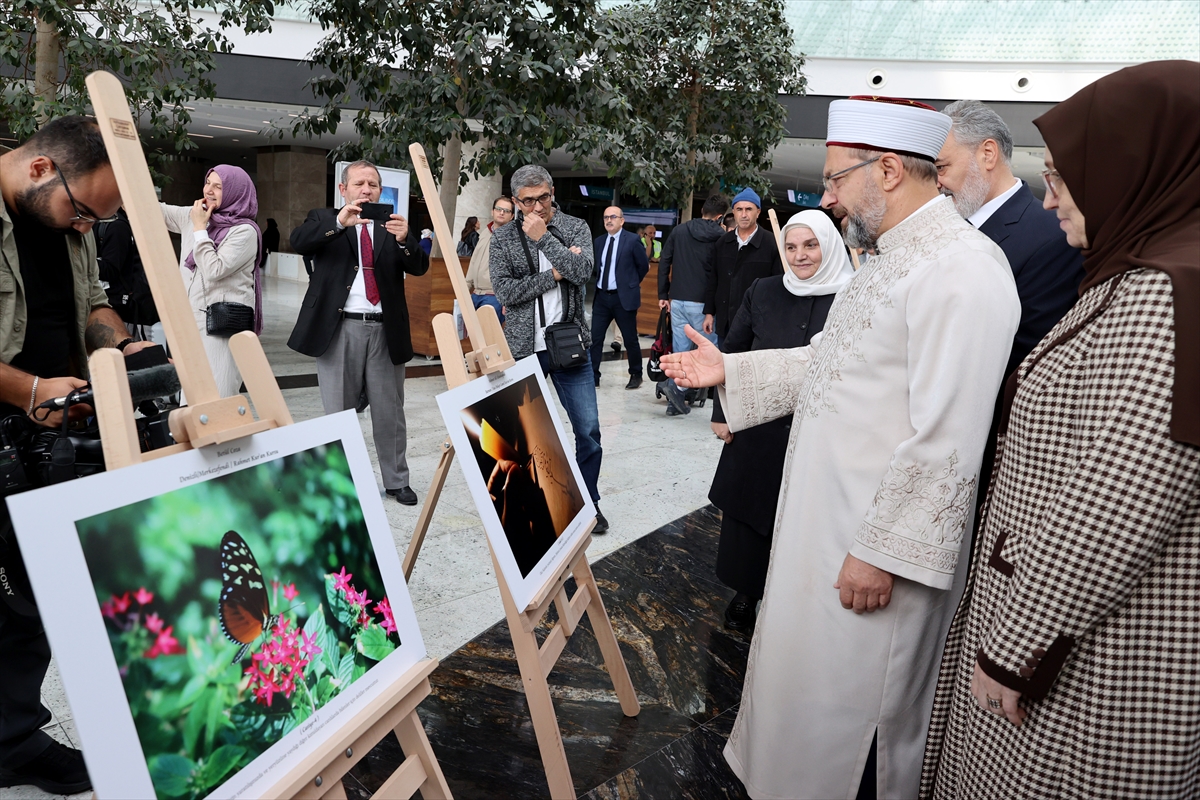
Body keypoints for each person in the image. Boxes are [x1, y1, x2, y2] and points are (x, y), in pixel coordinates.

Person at [662, 96, 1020, 799]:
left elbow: (948, 436)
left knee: (855, 730)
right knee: (805, 707)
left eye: (833, 179)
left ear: (886, 170)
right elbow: (831, 358)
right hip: (825, 536)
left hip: (869, 559)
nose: (824, 198)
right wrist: (730, 370)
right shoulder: (888, 260)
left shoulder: (965, 270)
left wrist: (881, 552)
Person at [921, 60, 1200, 800]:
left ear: (1133, 168)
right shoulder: (1141, 271)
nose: (1049, 204)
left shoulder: (1169, 294)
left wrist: (1015, 650)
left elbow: (1122, 497)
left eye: (1064, 181)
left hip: (1085, 672)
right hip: (1074, 643)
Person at [0, 115, 158, 796]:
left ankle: (11, 738)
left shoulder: (67, 218)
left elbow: (91, 301)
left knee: (34, 594)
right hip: (20, 411)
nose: (86, 227)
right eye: (83, 212)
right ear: (40, 169)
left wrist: (122, 348)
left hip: (44, 436)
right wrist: (30, 388)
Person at [710, 209, 853, 633]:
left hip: (821, 432)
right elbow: (732, 353)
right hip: (759, 428)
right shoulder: (764, 290)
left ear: (828, 246)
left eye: (810, 246)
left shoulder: (852, 295)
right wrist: (723, 413)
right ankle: (746, 594)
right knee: (752, 514)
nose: (800, 256)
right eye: (791, 246)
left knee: (805, 519)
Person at [287, 160, 428, 505]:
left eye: (373, 185)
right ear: (343, 189)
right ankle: (338, 481)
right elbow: (299, 242)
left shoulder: (392, 226)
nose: (366, 190)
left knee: (390, 411)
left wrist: (406, 240)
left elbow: (419, 266)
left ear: (381, 191)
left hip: (385, 330)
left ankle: (397, 480)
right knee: (338, 410)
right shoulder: (323, 219)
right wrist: (339, 223)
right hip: (339, 329)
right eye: (359, 184)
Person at [489, 165, 609, 533]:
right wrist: (553, 274)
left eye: (543, 197)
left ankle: (588, 502)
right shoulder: (503, 238)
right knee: (528, 437)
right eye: (528, 201)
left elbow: (583, 271)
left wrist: (545, 240)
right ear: (515, 201)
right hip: (525, 349)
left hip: (570, 345)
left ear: (552, 191)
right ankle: (537, 504)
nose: (537, 207)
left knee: (588, 430)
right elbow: (506, 292)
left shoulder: (575, 227)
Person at [936, 99, 1084, 377]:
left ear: (988, 154)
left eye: (941, 167)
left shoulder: (1052, 237)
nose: (936, 182)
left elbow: (1026, 358)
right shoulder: (941, 232)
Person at [160, 165, 262, 398]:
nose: (209, 190)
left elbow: (214, 269)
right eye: (208, 183)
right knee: (190, 398)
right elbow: (152, 210)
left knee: (217, 398)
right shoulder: (197, 215)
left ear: (237, 191)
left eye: (219, 186)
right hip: (189, 322)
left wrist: (199, 229)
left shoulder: (244, 231)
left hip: (220, 327)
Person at [656, 193, 727, 416]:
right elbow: (720, 274)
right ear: (719, 216)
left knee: (681, 350)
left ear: (702, 211)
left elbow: (665, 261)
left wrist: (663, 294)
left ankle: (677, 397)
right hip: (703, 303)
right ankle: (684, 391)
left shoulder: (679, 230)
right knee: (708, 351)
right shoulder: (721, 237)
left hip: (677, 300)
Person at [703, 188, 780, 346]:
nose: (744, 214)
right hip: (726, 323)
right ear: (733, 212)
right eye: (739, 209)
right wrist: (709, 313)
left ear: (758, 212)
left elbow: (778, 285)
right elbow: (714, 280)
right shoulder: (723, 243)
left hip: (758, 325)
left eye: (748, 209)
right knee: (726, 366)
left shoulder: (771, 243)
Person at [590, 206, 649, 389]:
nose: (609, 220)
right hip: (601, 297)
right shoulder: (599, 241)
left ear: (621, 220)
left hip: (623, 298)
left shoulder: (632, 240)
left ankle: (636, 374)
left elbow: (643, 267)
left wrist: (629, 284)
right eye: (606, 217)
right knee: (595, 338)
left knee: (630, 339)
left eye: (613, 217)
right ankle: (593, 376)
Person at [96, 207, 160, 343]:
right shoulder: (102, 222)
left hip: (124, 311)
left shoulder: (116, 226)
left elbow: (110, 270)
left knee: (128, 358)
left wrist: (81, 261)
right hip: (113, 306)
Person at [465, 197, 514, 323]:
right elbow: (474, 261)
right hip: (475, 293)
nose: (501, 213)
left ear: (512, 216)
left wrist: (507, 300)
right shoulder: (485, 233)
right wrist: (465, 287)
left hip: (494, 296)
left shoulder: (513, 239)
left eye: (506, 211)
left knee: (488, 338)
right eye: (498, 209)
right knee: (473, 338)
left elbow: (515, 270)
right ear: (492, 211)